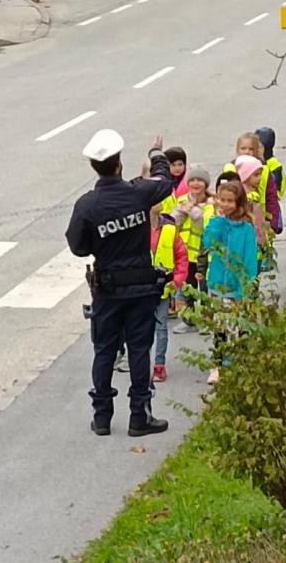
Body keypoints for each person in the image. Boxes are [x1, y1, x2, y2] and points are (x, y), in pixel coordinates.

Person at [66, 129, 174, 437]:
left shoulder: (87, 205)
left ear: (93, 166)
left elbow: (78, 247)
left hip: (107, 290)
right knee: (139, 351)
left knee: (104, 351)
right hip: (141, 288)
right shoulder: (139, 192)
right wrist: (156, 154)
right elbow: (165, 181)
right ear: (119, 162)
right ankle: (140, 417)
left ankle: (102, 418)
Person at [201, 178, 259, 385]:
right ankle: (217, 365)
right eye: (222, 200)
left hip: (236, 287)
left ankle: (237, 364)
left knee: (237, 328)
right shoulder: (217, 223)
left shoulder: (245, 229)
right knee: (219, 327)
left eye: (229, 201)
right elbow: (208, 243)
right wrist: (217, 220)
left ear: (238, 203)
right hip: (217, 284)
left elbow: (250, 261)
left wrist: (246, 290)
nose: (225, 204)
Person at [171, 164, 213, 326]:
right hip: (186, 254)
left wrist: (193, 211)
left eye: (200, 180)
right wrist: (183, 210)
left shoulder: (211, 203)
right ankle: (189, 320)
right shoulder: (182, 201)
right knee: (188, 289)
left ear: (206, 184)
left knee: (204, 289)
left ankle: (207, 319)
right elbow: (173, 222)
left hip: (203, 255)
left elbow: (206, 224)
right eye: (192, 180)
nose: (196, 183)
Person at [150, 207, 188, 382]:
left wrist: (178, 279)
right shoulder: (135, 230)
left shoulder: (170, 229)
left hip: (163, 288)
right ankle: (140, 363)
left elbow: (181, 256)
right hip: (140, 289)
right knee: (140, 329)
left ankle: (159, 365)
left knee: (161, 327)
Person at [159, 145, 189, 214]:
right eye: (173, 165)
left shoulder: (190, 182)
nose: (177, 168)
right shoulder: (161, 183)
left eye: (180, 164)